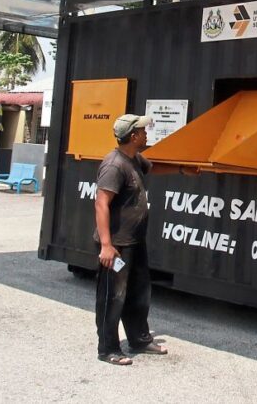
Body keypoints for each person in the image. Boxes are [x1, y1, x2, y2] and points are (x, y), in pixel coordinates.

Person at [94, 113, 168, 365]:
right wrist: (106, 245)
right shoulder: (114, 165)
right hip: (117, 247)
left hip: (135, 242)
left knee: (139, 292)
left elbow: (155, 167)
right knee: (113, 297)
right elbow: (101, 203)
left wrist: (184, 169)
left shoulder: (134, 158)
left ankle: (139, 339)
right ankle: (108, 349)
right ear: (133, 136)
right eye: (143, 131)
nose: (146, 134)